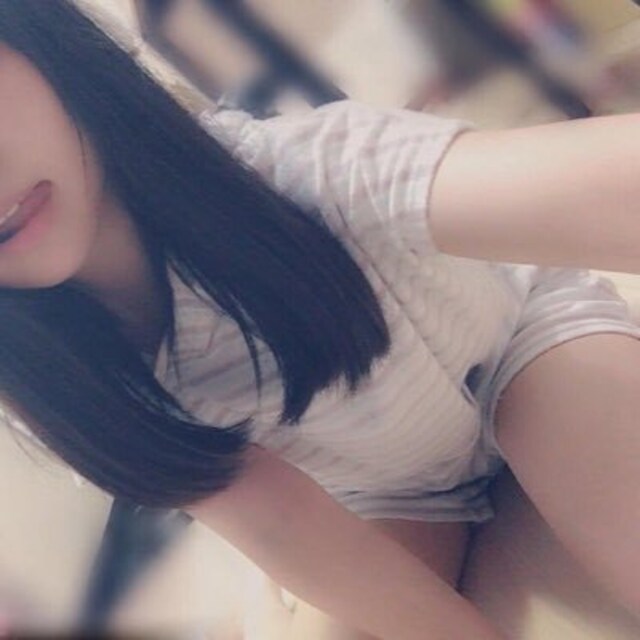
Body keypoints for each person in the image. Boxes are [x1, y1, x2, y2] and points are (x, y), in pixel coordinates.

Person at [0, 1, 638, 638]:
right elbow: (276, 522)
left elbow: (601, 191)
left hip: (521, 347)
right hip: (385, 491)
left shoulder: (292, 170)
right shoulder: (54, 382)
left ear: (42, 43)